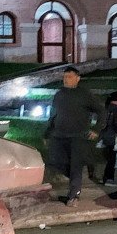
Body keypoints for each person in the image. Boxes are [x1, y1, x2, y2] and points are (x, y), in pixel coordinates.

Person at [44, 66, 106, 207]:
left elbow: (101, 111)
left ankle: (73, 196)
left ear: (78, 78)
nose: (66, 80)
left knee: (75, 166)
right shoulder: (59, 95)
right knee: (57, 162)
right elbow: (53, 115)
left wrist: (96, 129)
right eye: (65, 77)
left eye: (70, 77)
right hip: (59, 136)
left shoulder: (85, 94)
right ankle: (74, 183)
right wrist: (47, 133)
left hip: (78, 137)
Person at [97, 91, 117, 186]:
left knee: (109, 157)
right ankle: (109, 179)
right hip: (114, 136)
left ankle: (104, 177)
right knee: (112, 158)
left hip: (106, 135)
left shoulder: (107, 107)